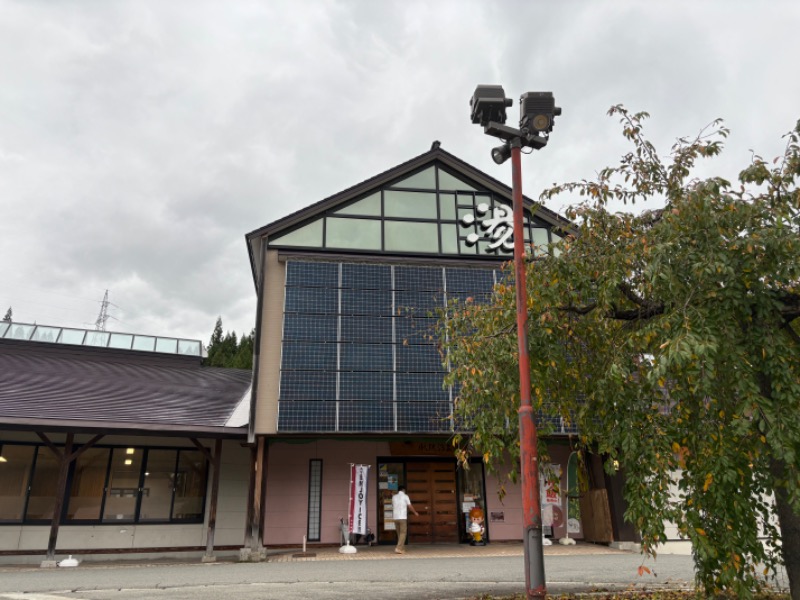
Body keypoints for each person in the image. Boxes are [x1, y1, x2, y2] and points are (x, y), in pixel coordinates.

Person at [391, 486, 418, 554]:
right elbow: (409, 506)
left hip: (395, 517)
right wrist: (415, 512)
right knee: (403, 533)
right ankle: (398, 548)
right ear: (403, 490)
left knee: (399, 534)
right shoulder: (405, 496)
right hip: (402, 517)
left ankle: (402, 548)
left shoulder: (394, 497)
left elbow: (392, 505)